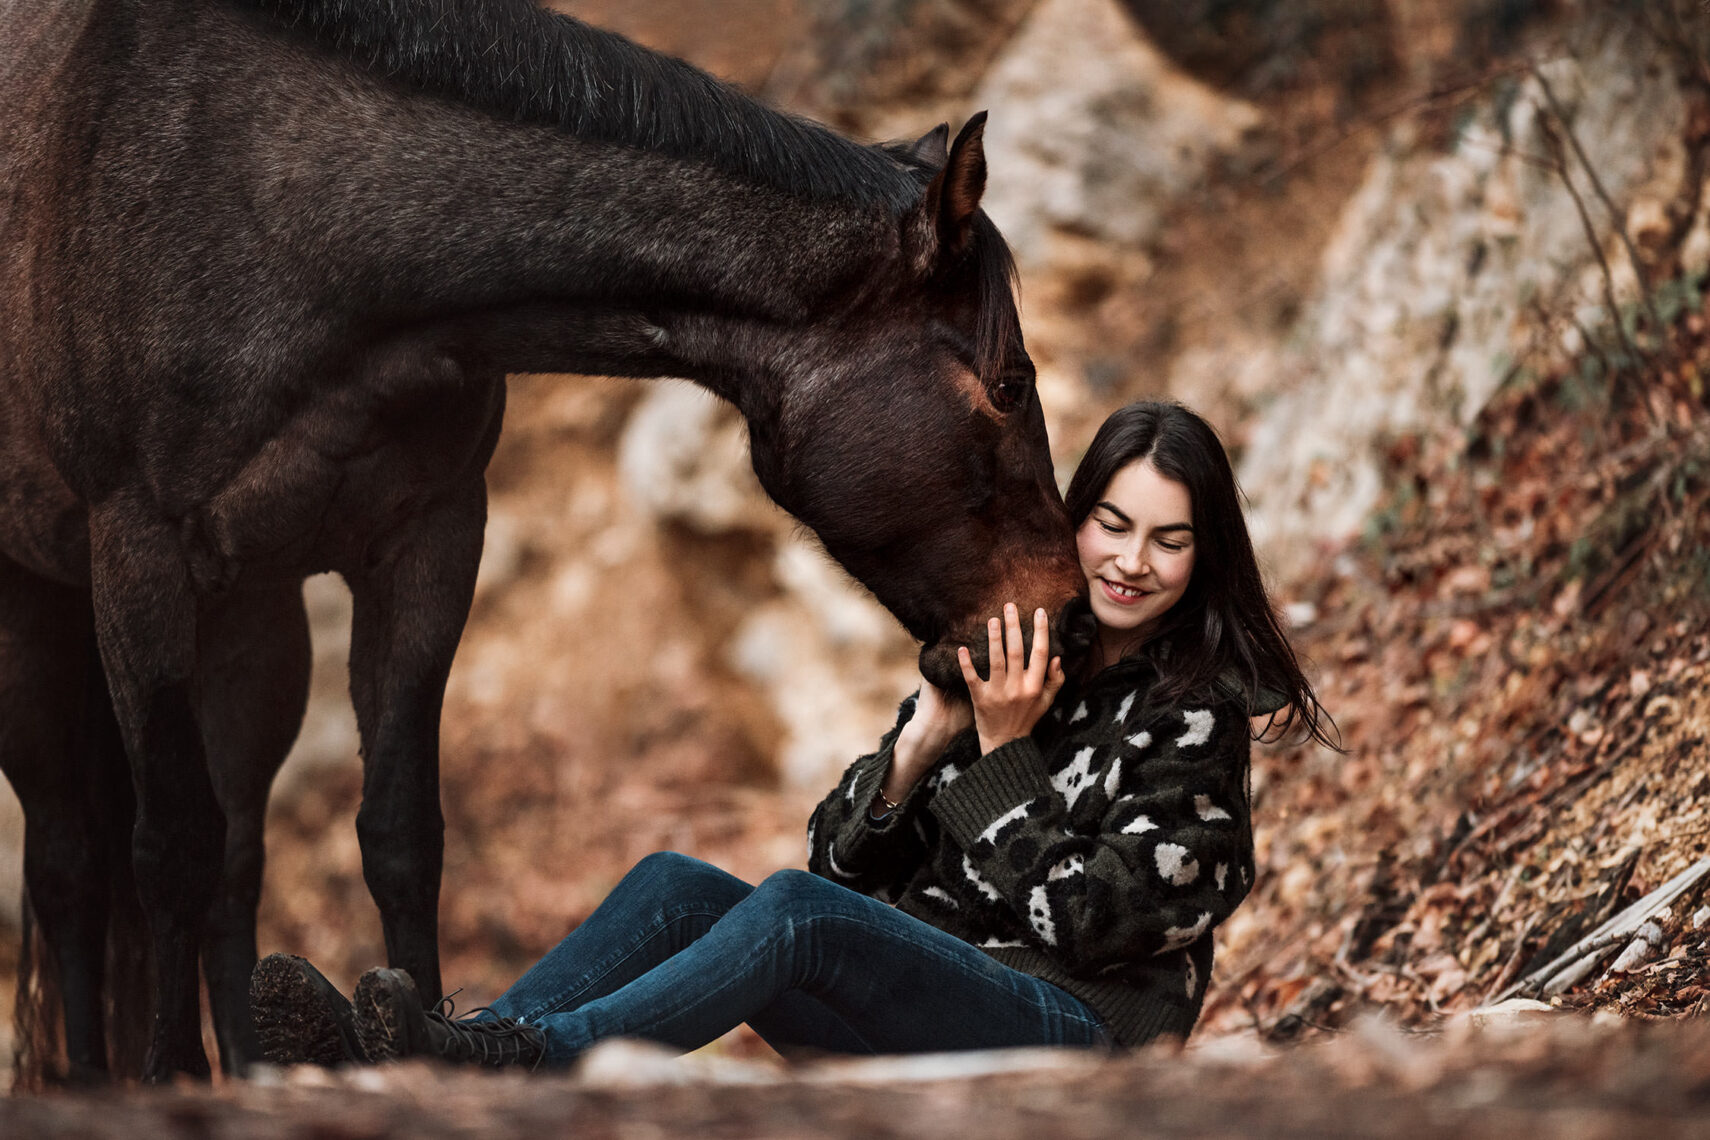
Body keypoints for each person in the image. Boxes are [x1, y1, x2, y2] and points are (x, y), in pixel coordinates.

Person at [251, 399, 1336, 1070]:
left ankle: (528, 1062)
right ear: (1074, 515)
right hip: (925, 998)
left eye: (1169, 540)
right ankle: (431, 1056)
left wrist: (1004, 757)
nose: (1131, 561)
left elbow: (1098, 924)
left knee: (794, 918)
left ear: (1204, 558)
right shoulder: (1023, 652)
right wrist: (922, 752)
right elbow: (838, 868)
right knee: (679, 884)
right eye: (1112, 522)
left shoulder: (1195, 718)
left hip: (1073, 1031)